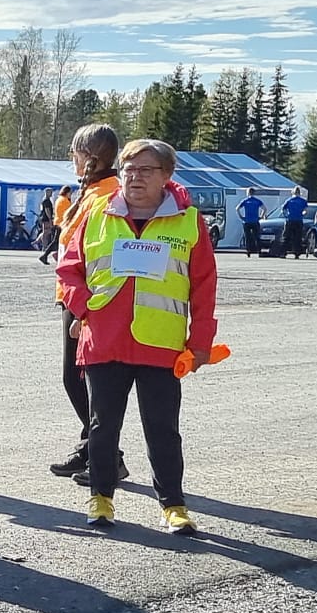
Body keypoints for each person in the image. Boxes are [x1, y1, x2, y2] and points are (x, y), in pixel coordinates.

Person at [56, 139, 218, 533]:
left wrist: (200, 343)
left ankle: (173, 505)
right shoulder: (96, 213)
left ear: (166, 176)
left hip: (159, 343)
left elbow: (203, 285)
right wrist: (83, 308)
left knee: (163, 428)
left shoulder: (188, 221)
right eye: (129, 169)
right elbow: (69, 268)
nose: (134, 177)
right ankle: (101, 497)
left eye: (145, 170)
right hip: (104, 340)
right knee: (101, 426)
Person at [49, 125, 128, 487]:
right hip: (75, 295)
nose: (72, 159)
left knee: (79, 379)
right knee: (77, 378)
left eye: (75, 153)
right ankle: (92, 444)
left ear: (89, 157)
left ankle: (109, 455)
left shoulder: (109, 194)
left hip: (91, 299)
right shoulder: (93, 191)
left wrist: (86, 307)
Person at [41, 185, 74, 264]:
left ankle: (50, 255)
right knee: (57, 241)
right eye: (70, 193)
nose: (71, 195)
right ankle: (46, 255)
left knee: (57, 241)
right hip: (62, 223)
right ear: (67, 192)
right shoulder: (65, 201)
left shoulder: (59, 199)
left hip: (57, 222)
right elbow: (69, 212)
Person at [280, 188, 309, 260]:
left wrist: (286, 215)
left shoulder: (289, 200)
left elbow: (283, 209)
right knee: (298, 237)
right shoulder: (303, 201)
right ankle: (297, 253)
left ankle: (283, 252)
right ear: (300, 193)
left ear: (293, 192)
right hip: (299, 220)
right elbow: (305, 211)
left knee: (286, 237)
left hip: (289, 220)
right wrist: (302, 214)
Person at [238, 188, 264, 257]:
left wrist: (241, 216)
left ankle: (248, 251)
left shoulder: (245, 201)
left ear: (248, 193)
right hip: (255, 221)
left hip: (247, 221)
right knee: (257, 236)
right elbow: (264, 209)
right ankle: (259, 251)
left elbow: (237, 208)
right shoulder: (257, 201)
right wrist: (261, 216)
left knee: (247, 237)